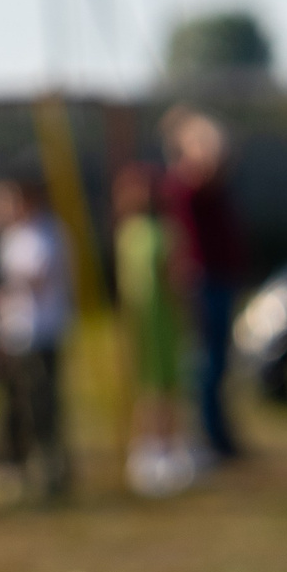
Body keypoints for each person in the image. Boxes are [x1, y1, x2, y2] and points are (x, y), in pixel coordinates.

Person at [161, 106, 248, 462]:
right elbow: (211, 162)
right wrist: (197, 136)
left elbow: (223, 159)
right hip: (203, 281)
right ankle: (211, 438)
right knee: (206, 364)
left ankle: (218, 435)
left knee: (218, 363)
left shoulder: (206, 184)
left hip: (219, 279)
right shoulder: (183, 185)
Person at [0, 174, 73, 503]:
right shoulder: (12, 235)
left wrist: (8, 290)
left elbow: (39, 278)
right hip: (15, 333)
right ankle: (14, 468)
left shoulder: (48, 232)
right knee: (13, 407)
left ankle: (51, 470)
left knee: (42, 407)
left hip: (42, 334)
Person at [114, 163, 193, 497]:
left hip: (165, 320)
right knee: (146, 387)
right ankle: (146, 449)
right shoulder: (128, 233)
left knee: (168, 386)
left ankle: (171, 447)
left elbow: (177, 277)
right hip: (140, 321)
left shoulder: (168, 232)